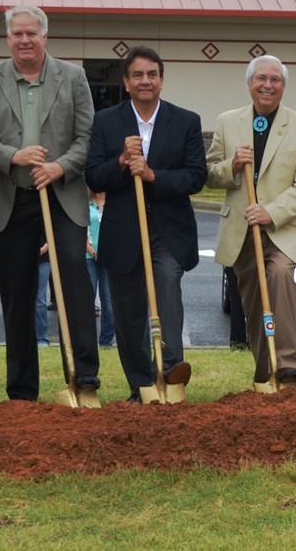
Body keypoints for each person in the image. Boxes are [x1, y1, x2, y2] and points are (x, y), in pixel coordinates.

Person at [0, 5, 99, 400]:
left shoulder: (73, 77)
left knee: (74, 285)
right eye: (17, 34)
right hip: (11, 201)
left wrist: (60, 167)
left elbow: (88, 137)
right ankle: (22, 392)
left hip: (62, 198)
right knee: (19, 296)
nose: (25, 40)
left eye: (32, 33)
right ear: (8, 39)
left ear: (45, 37)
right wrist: (13, 156)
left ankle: (84, 378)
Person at [86, 46, 207, 398]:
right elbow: (94, 176)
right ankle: (141, 384)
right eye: (137, 75)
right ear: (126, 82)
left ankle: (170, 371)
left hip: (167, 229)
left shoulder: (186, 121)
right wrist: (122, 162)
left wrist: (153, 175)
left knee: (167, 281)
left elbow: (196, 176)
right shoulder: (106, 122)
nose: (145, 81)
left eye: (152, 75)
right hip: (124, 230)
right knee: (128, 309)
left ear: (162, 81)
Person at [207, 55, 296, 385]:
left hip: (286, 227)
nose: (267, 85)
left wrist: (271, 211)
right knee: (254, 300)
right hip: (242, 229)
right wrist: (231, 164)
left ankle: (287, 365)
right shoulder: (228, 121)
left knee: (280, 274)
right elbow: (210, 174)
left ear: (283, 86)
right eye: (261, 79)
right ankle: (265, 370)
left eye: (275, 80)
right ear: (249, 84)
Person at [84, 190, 115, 349]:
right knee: (87, 300)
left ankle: (106, 340)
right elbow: (81, 233)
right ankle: (87, 342)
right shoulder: (86, 204)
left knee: (108, 301)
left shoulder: (114, 204)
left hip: (109, 259)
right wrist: (94, 253)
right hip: (90, 257)